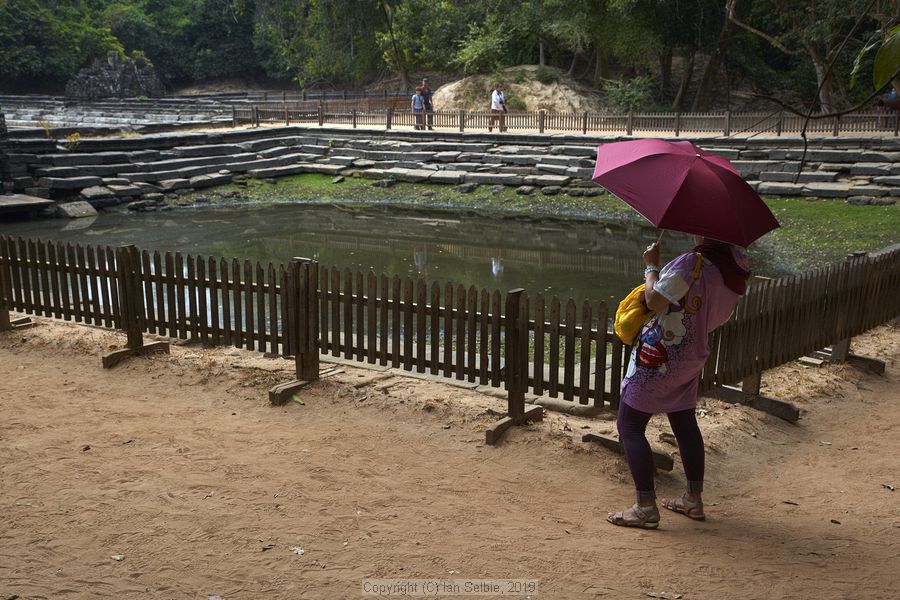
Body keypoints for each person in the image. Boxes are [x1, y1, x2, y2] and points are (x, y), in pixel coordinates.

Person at [606, 234, 750, 529]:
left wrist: (651, 267)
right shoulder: (734, 265)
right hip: (692, 354)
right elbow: (717, 315)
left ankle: (645, 506)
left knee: (629, 425)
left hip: (658, 355)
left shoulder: (692, 263)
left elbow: (653, 300)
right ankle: (692, 499)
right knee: (684, 424)